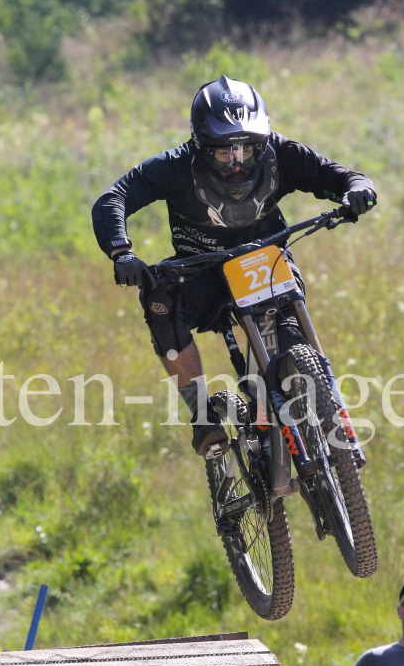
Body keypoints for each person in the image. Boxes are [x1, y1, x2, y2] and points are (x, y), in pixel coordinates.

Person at [92, 75, 376, 457]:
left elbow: (338, 175)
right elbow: (115, 198)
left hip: (264, 262)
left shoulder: (283, 154)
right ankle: (202, 416)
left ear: (264, 141)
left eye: (248, 150)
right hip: (201, 271)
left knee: (291, 331)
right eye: (225, 153)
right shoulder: (176, 166)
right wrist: (122, 252)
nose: (238, 164)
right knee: (159, 298)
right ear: (200, 146)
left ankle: (326, 411)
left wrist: (356, 188)